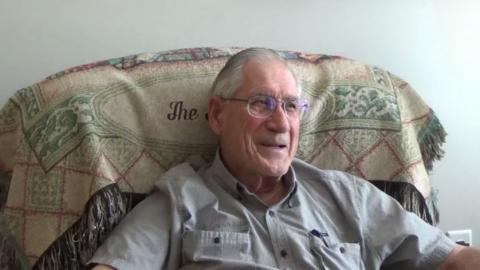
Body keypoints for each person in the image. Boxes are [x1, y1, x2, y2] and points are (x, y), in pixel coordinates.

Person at [89, 48, 480, 269]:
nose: (281, 122)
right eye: (262, 103)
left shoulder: (348, 197)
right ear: (218, 114)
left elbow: (452, 259)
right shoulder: (178, 202)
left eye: (292, 107)